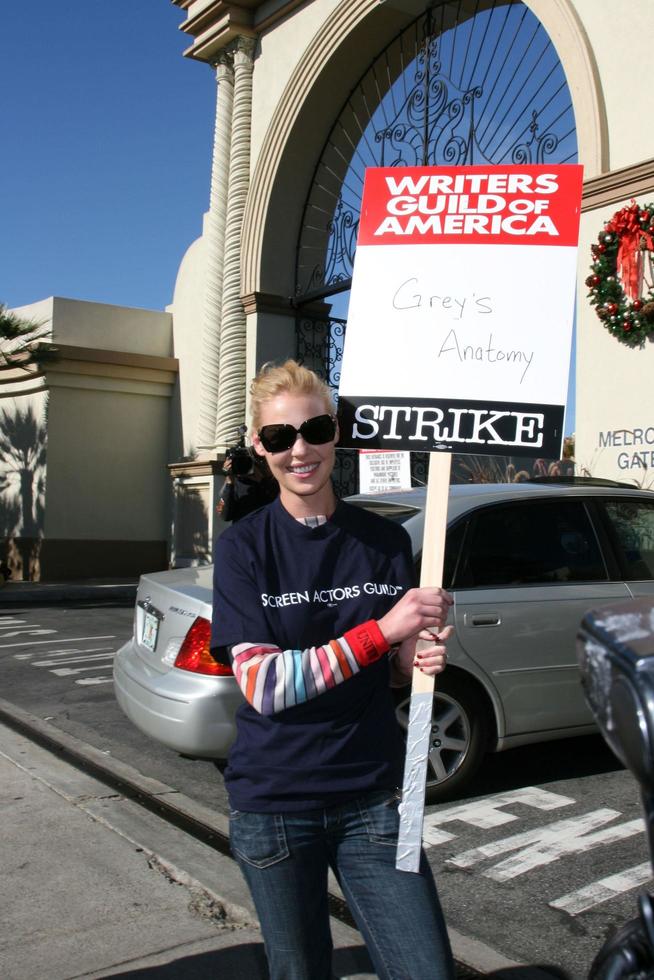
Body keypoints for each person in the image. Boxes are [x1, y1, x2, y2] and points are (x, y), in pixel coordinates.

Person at [210, 360, 455, 980]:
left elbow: (391, 671)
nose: (301, 450)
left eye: (315, 429)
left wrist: (414, 658)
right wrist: (386, 632)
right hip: (274, 805)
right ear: (259, 448)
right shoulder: (243, 548)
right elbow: (265, 688)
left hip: (371, 797)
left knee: (425, 969)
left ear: (335, 432)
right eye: (278, 437)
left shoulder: (385, 542)